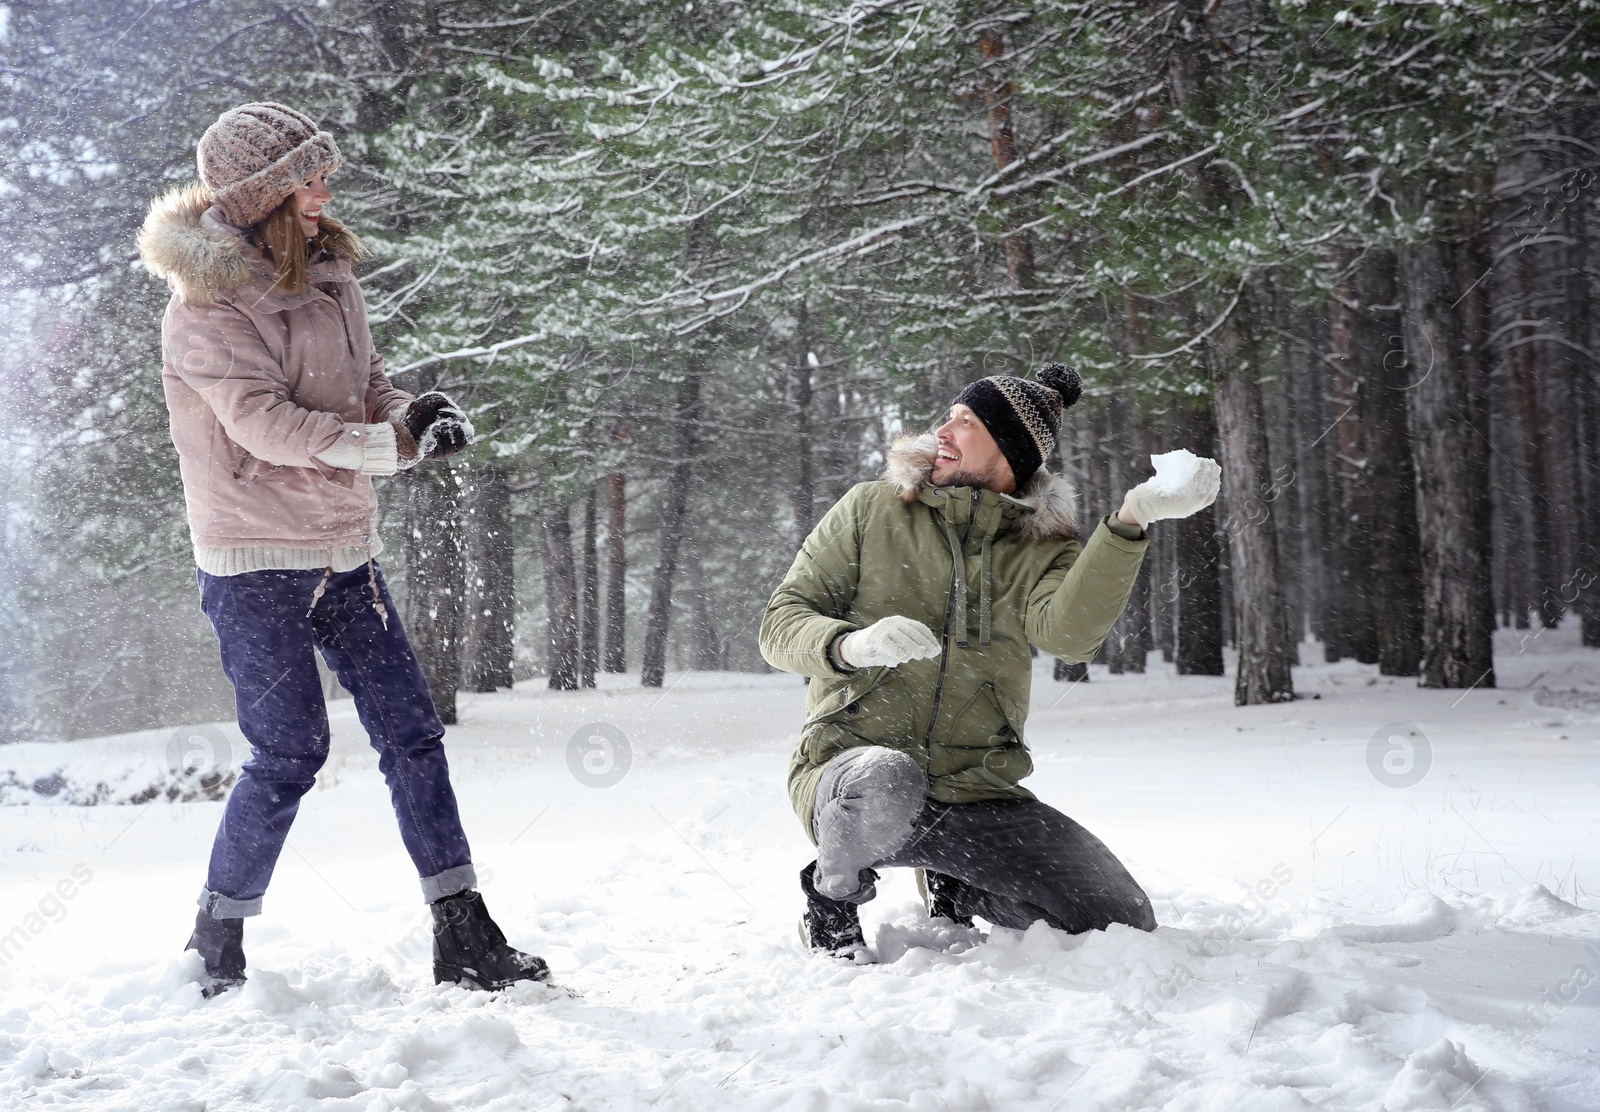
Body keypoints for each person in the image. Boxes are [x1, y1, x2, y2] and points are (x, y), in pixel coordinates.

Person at [137, 102, 546, 995]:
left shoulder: (327, 272)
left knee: (413, 733)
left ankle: (463, 931)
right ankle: (217, 937)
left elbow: (367, 387)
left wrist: (414, 416)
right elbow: (263, 425)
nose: (325, 193)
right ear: (263, 197)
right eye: (307, 180)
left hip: (341, 550)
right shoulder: (201, 310)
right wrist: (383, 451)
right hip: (254, 563)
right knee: (288, 754)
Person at [759, 362, 1221, 959]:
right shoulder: (870, 510)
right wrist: (853, 644)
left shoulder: (1043, 545)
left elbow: (1069, 636)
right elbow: (780, 623)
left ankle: (959, 887)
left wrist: (1131, 521)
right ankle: (832, 902)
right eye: (947, 416)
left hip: (978, 792)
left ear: (1009, 450)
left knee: (1116, 919)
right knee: (885, 776)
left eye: (967, 421)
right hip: (850, 778)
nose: (943, 431)